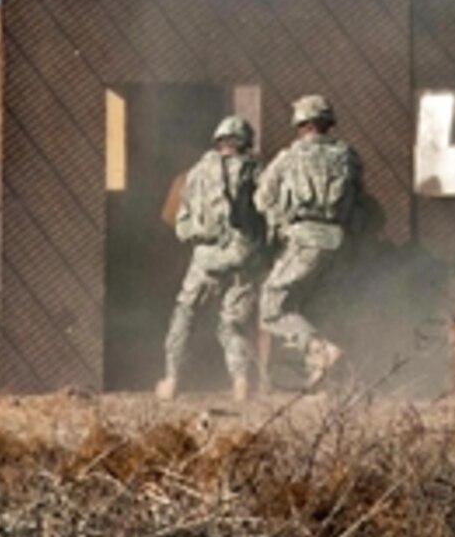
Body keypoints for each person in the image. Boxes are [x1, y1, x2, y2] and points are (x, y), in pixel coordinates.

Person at [254, 94, 365, 387]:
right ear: (328, 123)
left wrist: (282, 225)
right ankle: (326, 380)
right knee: (318, 307)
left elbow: (262, 197)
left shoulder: (289, 157)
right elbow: (360, 204)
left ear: (300, 124)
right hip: (339, 243)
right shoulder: (348, 156)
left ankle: (318, 351)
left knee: (271, 307)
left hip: (304, 240)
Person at [156, 116, 265, 402]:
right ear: (245, 142)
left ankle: (172, 380)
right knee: (234, 323)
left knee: (185, 315)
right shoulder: (256, 171)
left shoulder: (194, 174)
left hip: (204, 259)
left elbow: (174, 219)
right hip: (241, 258)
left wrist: (200, 237)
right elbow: (269, 212)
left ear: (219, 142)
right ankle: (241, 382)